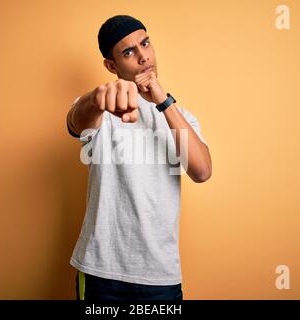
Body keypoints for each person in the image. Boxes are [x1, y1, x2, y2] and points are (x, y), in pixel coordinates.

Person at [66, 15, 212, 300]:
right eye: (129, 51)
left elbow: (202, 171)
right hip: (101, 272)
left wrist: (162, 101)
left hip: (160, 275)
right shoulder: (101, 109)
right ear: (112, 66)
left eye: (145, 43)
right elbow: (76, 120)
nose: (143, 56)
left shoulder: (181, 119)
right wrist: (96, 99)